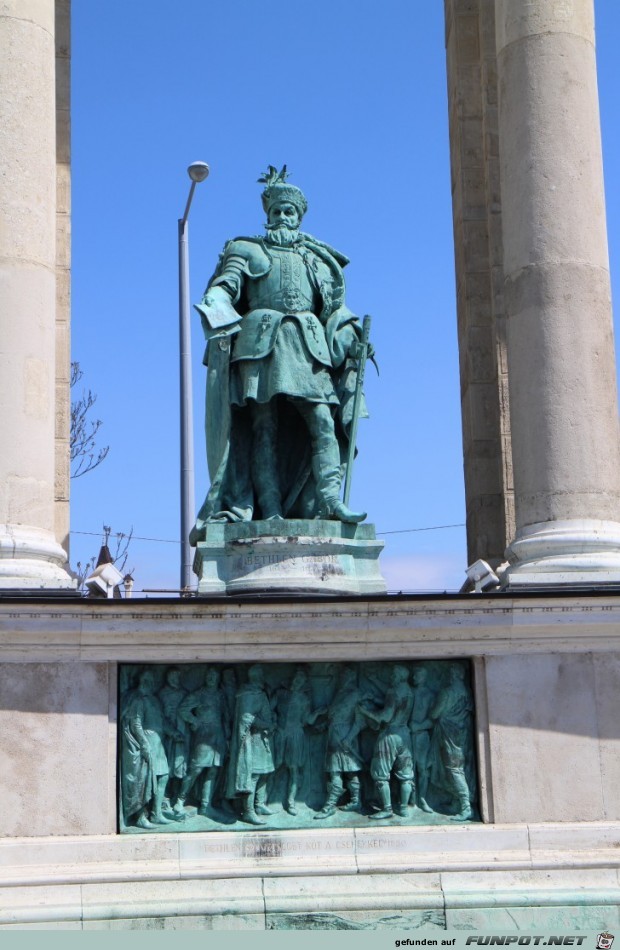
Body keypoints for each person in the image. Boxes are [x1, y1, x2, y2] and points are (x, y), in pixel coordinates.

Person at [191, 165, 370, 535]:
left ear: (300, 217)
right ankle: (269, 509)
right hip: (260, 347)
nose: (283, 217)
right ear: (267, 215)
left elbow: (334, 309)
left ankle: (330, 500)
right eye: (276, 211)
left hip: (309, 347)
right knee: (263, 428)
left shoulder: (317, 259)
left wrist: (352, 335)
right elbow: (227, 285)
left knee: (322, 421)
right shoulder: (246, 249)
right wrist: (216, 298)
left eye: (290, 212)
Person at [359, 665, 414, 819]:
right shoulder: (408, 691)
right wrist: (374, 681)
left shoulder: (393, 691)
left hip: (389, 735)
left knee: (380, 773)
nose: (391, 677)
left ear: (400, 676)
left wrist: (365, 712)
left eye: (394, 674)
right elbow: (393, 700)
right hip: (404, 735)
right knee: (406, 774)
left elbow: (385, 716)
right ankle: (403, 808)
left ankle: (386, 809)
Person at [174, 667, 229, 817]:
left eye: (214, 676)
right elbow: (183, 709)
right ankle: (180, 800)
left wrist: (228, 736)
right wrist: (195, 721)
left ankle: (206, 805)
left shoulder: (220, 695)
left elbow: (225, 716)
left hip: (218, 737)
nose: (211, 678)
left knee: (213, 771)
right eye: (209, 675)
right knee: (196, 769)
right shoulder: (199, 694)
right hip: (203, 736)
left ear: (218, 679)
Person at [120, 670, 172, 829]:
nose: (150, 683)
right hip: (146, 743)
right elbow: (136, 724)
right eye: (146, 679)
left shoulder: (155, 700)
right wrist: (143, 744)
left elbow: (161, 722)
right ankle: (141, 817)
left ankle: (156, 814)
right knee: (145, 780)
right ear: (141, 681)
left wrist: (175, 733)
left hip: (158, 743)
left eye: (151, 680)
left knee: (163, 776)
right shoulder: (138, 700)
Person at [225, 664, 275, 825]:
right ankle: (248, 811)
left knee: (265, 772)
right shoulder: (247, 694)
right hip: (252, 740)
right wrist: (266, 725)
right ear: (255, 677)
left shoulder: (258, 692)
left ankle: (259, 804)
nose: (262, 678)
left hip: (262, 739)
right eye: (260, 675)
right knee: (252, 776)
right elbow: (246, 718)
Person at [314, 666, 364, 818]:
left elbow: (359, 721)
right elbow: (334, 716)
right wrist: (324, 725)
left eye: (345, 675)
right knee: (336, 770)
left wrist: (349, 738)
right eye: (342, 676)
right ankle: (345, 802)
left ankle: (336, 805)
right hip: (333, 736)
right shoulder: (340, 693)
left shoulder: (355, 694)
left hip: (345, 737)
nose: (342, 678)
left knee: (348, 771)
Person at [429, 665, 474, 821]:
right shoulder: (467, 691)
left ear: (453, 675)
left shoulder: (447, 692)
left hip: (449, 736)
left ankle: (465, 806)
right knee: (459, 768)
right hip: (463, 734)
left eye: (449, 673)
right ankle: (456, 802)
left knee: (454, 770)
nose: (447, 676)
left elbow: (435, 714)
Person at [274, 668, 318, 815]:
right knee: (272, 766)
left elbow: (307, 720)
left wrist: (318, 713)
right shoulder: (280, 694)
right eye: (295, 678)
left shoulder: (304, 699)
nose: (296, 681)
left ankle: (290, 802)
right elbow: (269, 709)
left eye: (300, 680)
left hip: (295, 735)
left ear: (303, 683)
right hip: (280, 734)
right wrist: (273, 723)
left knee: (294, 769)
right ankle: (261, 801)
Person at [158, 666, 190, 809]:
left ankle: (177, 797)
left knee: (180, 767)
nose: (174, 679)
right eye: (172, 676)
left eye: (177, 676)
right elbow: (159, 715)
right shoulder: (162, 694)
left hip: (183, 734)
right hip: (167, 736)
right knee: (167, 767)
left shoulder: (185, 693)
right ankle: (165, 797)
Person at [408, 666, 436, 813]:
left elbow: (432, 719)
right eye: (413, 676)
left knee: (422, 768)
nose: (413, 678)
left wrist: (418, 726)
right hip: (406, 736)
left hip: (422, 736)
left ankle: (423, 798)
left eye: (416, 675)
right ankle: (410, 799)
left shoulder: (429, 696)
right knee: (407, 768)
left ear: (424, 677)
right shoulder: (409, 692)